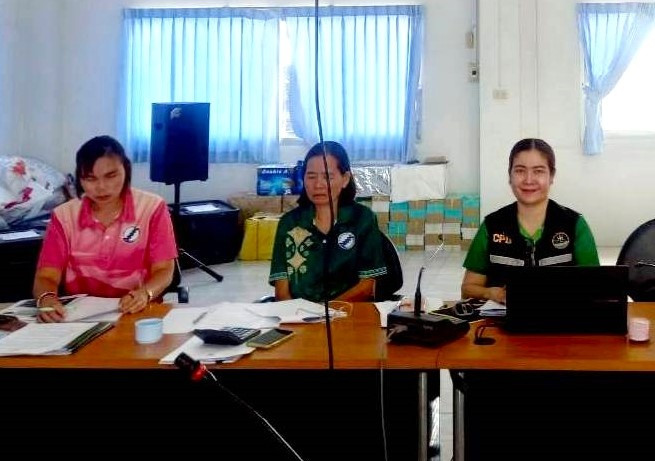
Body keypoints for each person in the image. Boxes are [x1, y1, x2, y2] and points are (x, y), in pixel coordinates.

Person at [34, 135, 178, 322]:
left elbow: (164, 269)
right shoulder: (63, 216)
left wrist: (145, 293)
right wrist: (47, 298)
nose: (101, 187)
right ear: (80, 179)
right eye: (90, 178)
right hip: (80, 317)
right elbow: (46, 275)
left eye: (111, 176)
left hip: (138, 312)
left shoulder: (152, 207)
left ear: (126, 170)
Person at [461, 138, 599, 303]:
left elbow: (596, 287)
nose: (528, 180)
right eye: (520, 170)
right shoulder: (492, 225)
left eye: (538, 171)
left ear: (551, 176)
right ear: (510, 176)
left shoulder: (575, 225)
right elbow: (468, 289)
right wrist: (491, 293)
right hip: (504, 318)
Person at [269, 141, 387, 302]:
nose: (318, 185)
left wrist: (327, 312)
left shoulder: (362, 219)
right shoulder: (289, 224)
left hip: (348, 313)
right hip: (299, 314)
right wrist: (301, 314)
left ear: (345, 179)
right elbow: (282, 293)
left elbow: (367, 287)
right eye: (311, 176)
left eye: (327, 177)